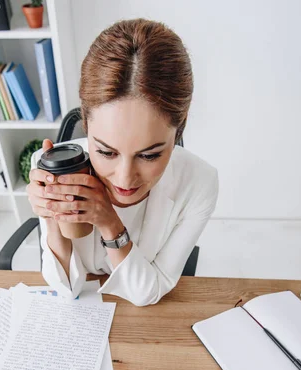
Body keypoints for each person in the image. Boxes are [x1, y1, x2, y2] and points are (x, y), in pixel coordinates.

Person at [27, 18, 218, 306]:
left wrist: (109, 221)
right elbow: (66, 289)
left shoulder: (200, 184)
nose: (125, 179)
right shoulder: (53, 168)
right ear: (86, 125)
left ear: (180, 126)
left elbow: (148, 293)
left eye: (149, 154)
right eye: (106, 152)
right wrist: (52, 216)